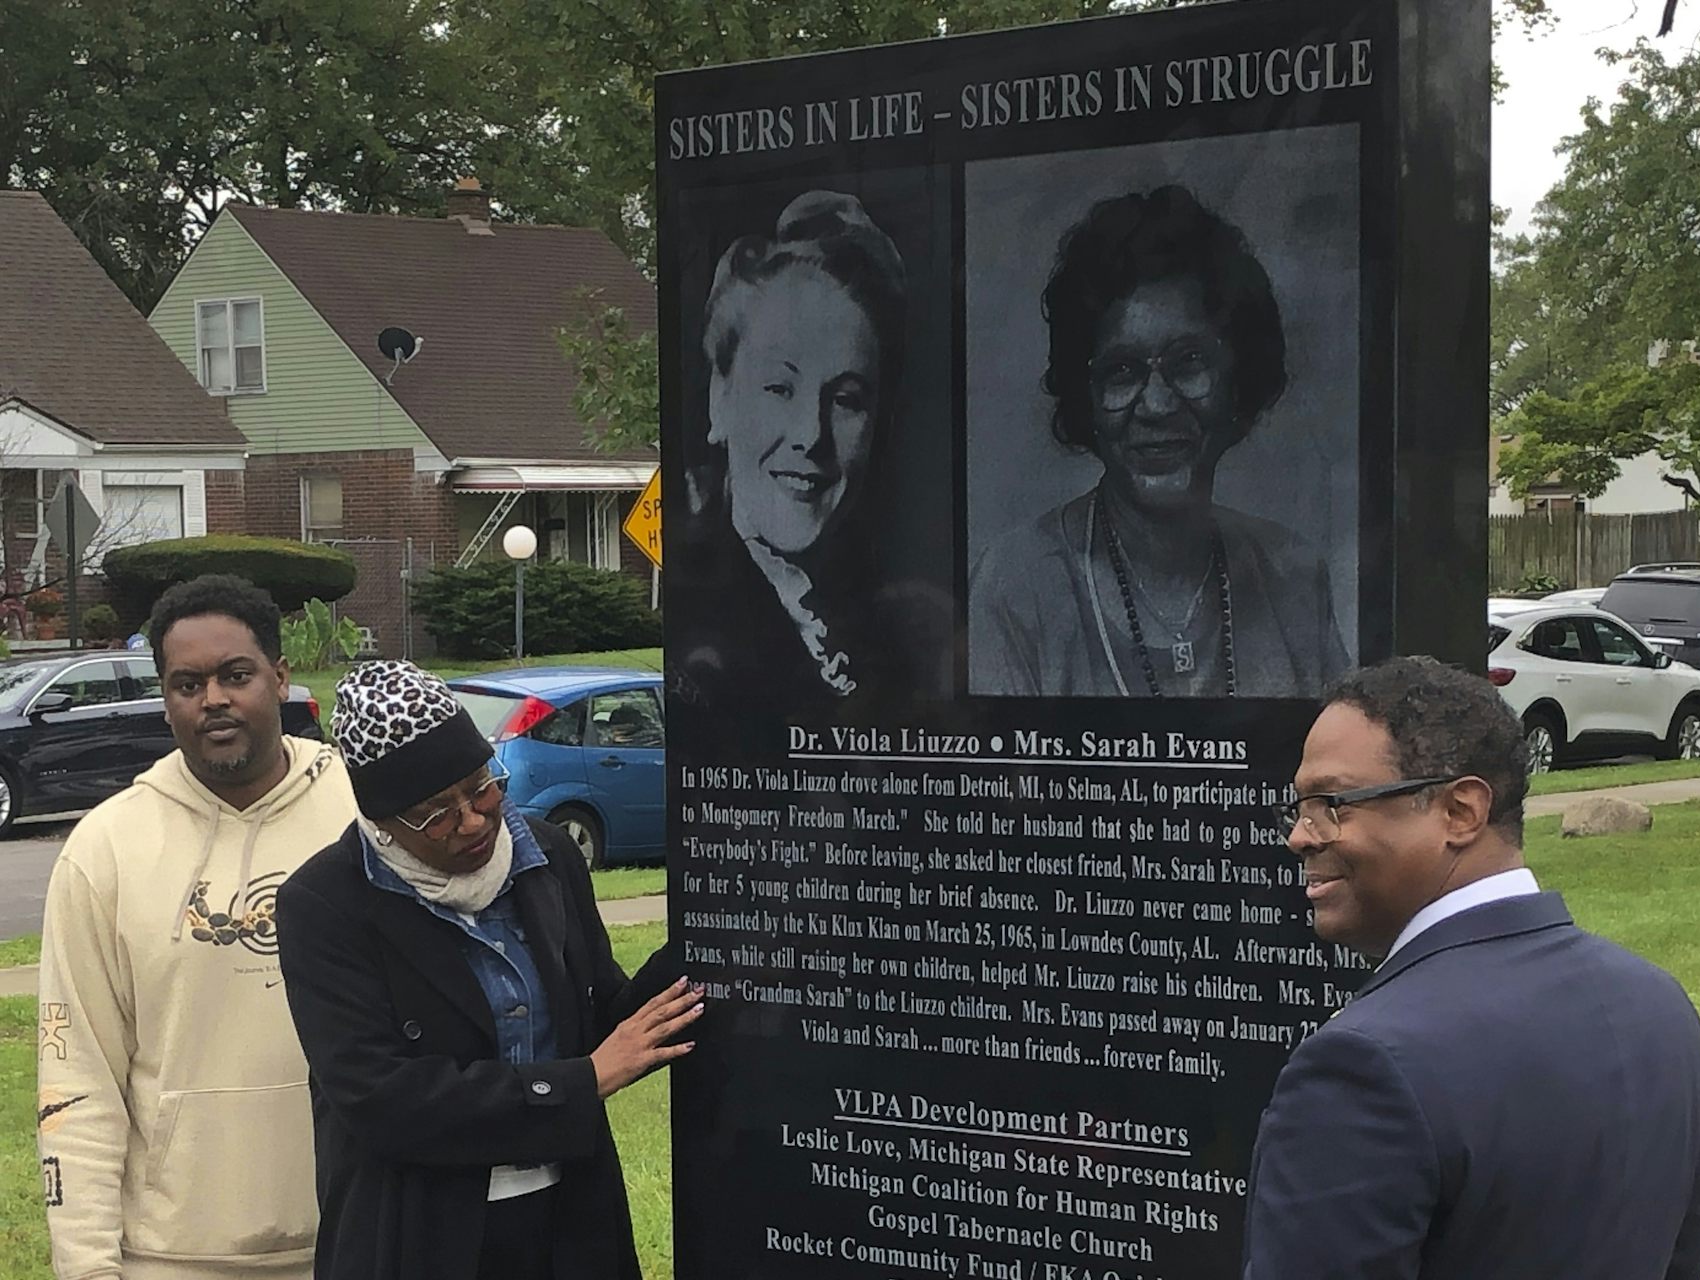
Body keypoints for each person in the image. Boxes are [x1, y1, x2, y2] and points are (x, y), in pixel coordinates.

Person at [1243, 656, 1700, 1279]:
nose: (1300, 836)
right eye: (1299, 807)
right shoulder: (1659, 1006)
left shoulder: (1362, 1068)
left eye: (1330, 803)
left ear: (1460, 812)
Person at [274, 660, 700, 1280]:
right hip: (419, 1233)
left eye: (481, 787)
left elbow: (597, 1011)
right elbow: (381, 1099)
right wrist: (578, 1084)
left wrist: (715, 938)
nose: (472, 820)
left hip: (571, 1217)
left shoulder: (548, 853)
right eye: (434, 812)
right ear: (382, 824)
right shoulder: (324, 905)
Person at [37, 574, 358, 1279]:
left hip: (359, 1237)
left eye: (235, 675)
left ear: (280, 677)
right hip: (175, 1255)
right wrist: (88, 1267)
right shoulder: (106, 850)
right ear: (165, 700)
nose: (212, 699)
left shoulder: (361, 814)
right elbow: (76, 1077)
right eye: (187, 684)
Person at [970, 183, 1349, 698]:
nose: (1157, 405)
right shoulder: (1018, 585)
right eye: (1121, 371)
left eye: (1189, 361)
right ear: (1085, 399)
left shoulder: (1294, 577)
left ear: (1238, 377)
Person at [670, 188, 948, 709]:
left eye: (845, 399)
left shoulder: (895, 628)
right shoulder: (698, 642)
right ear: (719, 399)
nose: (811, 434)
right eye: (780, 387)